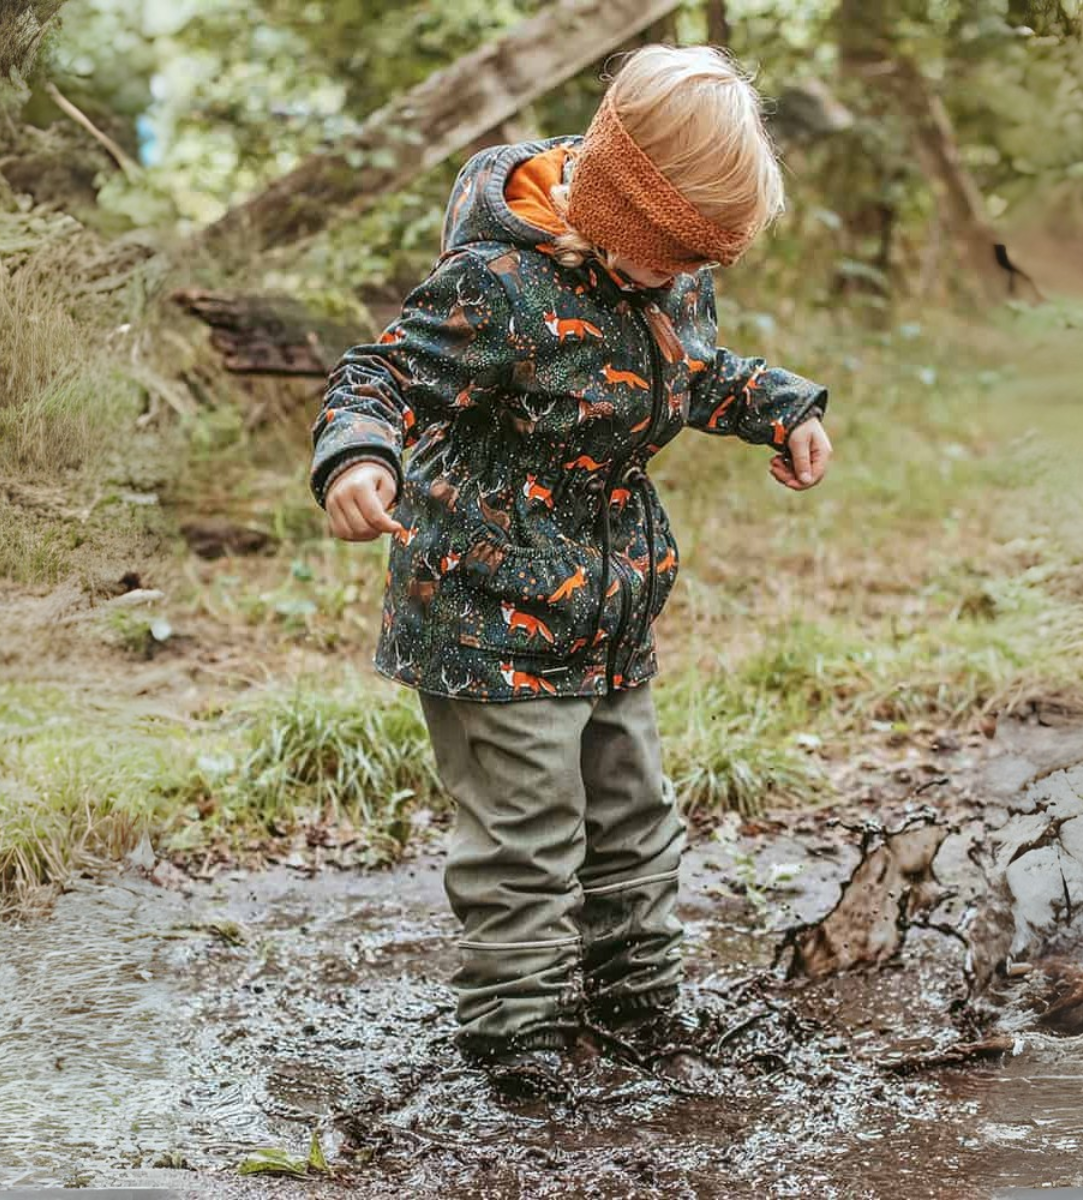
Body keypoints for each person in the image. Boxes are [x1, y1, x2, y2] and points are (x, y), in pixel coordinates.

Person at [309, 43, 832, 1095]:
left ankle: (638, 1001)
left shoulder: (665, 272)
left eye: (701, 263)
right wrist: (359, 455)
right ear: (618, 210)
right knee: (528, 836)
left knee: (633, 810)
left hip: (607, 607)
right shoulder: (498, 284)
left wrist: (778, 404)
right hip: (485, 613)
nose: (686, 280)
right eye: (672, 257)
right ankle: (516, 1042)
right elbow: (381, 373)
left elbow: (687, 371)